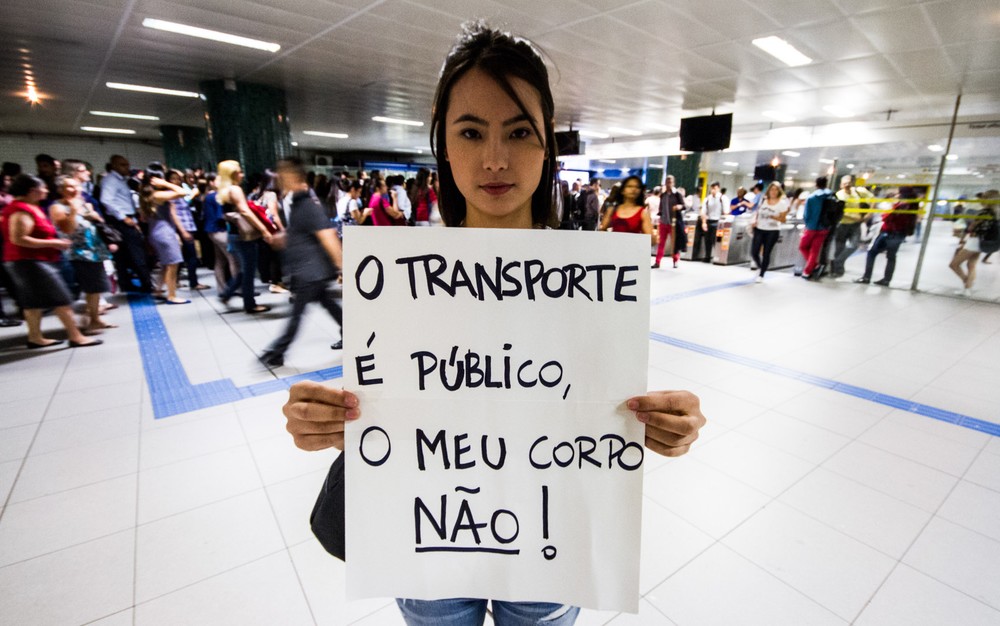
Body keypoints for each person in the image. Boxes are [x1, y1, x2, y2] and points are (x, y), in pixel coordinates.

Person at [280, 23, 707, 626]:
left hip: (549, 538)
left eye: (519, 132)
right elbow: (387, 399)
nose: (495, 158)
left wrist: (665, 423)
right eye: (471, 132)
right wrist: (331, 418)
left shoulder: (591, 278)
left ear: (547, 143)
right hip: (425, 538)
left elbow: (599, 404)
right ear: (444, 144)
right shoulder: (399, 277)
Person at [259, 157, 345, 367]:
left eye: (284, 173)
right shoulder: (297, 203)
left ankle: (277, 352)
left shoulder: (307, 205)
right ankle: (354, 333)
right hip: (309, 270)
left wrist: (344, 267)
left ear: (295, 176)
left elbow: (328, 236)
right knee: (329, 305)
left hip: (311, 271)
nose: (280, 178)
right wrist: (284, 238)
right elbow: (304, 233)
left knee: (297, 314)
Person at [1, 174, 101, 348]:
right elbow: (18, 239)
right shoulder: (21, 210)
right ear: (32, 190)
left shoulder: (26, 207)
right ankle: (76, 336)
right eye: (43, 188)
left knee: (32, 302)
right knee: (61, 299)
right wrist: (54, 243)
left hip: (25, 261)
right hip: (31, 262)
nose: (46, 191)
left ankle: (35, 337)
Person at [48, 176, 117, 332]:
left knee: (96, 288)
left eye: (77, 186)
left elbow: (98, 222)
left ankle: (95, 319)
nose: (75, 189)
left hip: (94, 251)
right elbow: (68, 229)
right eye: (70, 186)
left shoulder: (83, 203)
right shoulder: (57, 207)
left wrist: (93, 215)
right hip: (77, 253)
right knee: (89, 288)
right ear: (60, 190)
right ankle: (88, 321)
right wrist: (73, 210)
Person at [216, 160, 274, 313]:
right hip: (244, 235)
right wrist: (263, 229)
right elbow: (244, 211)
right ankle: (250, 304)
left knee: (245, 268)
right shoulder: (235, 189)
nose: (242, 175)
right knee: (248, 271)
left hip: (234, 234)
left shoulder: (223, 191)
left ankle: (227, 293)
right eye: (239, 172)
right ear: (232, 174)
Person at [100, 155, 153, 292]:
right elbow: (106, 200)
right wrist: (123, 217)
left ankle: (126, 283)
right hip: (121, 221)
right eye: (123, 165)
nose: (127, 168)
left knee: (124, 255)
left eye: (127, 164)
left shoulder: (122, 180)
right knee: (137, 253)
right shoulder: (110, 180)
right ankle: (147, 285)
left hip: (126, 218)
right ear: (114, 166)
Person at [141, 169, 191, 305]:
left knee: (166, 264)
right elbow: (184, 192)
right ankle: (172, 296)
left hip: (157, 231)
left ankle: (158, 290)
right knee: (172, 265)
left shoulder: (148, 195)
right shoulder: (157, 195)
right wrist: (166, 184)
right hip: (165, 233)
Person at [855, 186, 918, 286]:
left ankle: (867, 277)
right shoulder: (912, 205)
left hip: (889, 231)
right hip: (899, 233)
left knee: (872, 253)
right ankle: (886, 280)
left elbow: (887, 217)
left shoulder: (901, 205)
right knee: (891, 256)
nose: (897, 194)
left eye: (898, 193)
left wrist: (890, 207)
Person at [949, 189, 999, 296]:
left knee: (954, 264)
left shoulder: (984, 212)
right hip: (982, 241)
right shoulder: (995, 212)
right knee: (971, 265)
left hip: (974, 241)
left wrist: (969, 229)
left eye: (984, 197)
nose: (981, 199)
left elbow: (972, 227)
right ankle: (967, 289)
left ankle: (967, 282)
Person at [166, 169, 209, 291]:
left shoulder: (179, 192)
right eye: (173, 179)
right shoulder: (170, 193)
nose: (176, 181)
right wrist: (183, 231)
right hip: (182, 227)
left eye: (178, 179)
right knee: (190, 256)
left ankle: (179, 281)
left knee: (185, 256)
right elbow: (173, 214)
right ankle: (192, 283)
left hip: (188, 225)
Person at [830, 175, 873, 278]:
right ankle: (838, 270)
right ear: (841, 185)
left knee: (854, 245)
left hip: (856, 224)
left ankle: (837, 261)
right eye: (845, 183)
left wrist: (869, 213)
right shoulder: (839, 195)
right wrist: (853, 217)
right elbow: (838, 211)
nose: (847, 185)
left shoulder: (858, 192)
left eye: (849, 183)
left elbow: (872, 199)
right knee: (839, 247)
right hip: (842, 224)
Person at [749, 181, 790, 283]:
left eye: (776, 190)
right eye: (772, 189)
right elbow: (758, 212)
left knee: (766, 252)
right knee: (754, 251)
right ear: (769, 190)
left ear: (779, 191)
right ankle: (760, 267)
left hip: (772, 230)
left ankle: (762, 274)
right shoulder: (764, 200)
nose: (773, 192)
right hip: (759, 228)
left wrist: (773, 217)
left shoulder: (782, 204)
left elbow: (783, 219)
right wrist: (754, 221)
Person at [799, 177, 832, 280]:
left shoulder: (811, 197)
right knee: (815, 250)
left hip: (811, 227)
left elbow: (806, 215)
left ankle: (813, 267)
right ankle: (810, 270)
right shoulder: (831, 196)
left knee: (803, 247)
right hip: (824, 227)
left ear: (816, 184)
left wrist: (807, 225)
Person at [652, 175, 685, 269]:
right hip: (663, 221)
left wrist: (679, 207)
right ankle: (657, 261)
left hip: (673, 223)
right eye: (667, 182)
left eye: (670, 182)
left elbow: (683, 205)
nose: (668, 184)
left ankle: (675, 260)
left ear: (673, 183)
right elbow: (661, 207)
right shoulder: (663, 195)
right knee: (661, 242)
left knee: (674, 243)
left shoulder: (677, 194)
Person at [694, 181, 726, 262]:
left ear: (718, 188)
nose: (713, 190)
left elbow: (726, 212)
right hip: (709, 221)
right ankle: (707, 256)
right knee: (707, 240)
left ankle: (718, 257)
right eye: (712, 189)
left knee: (717, 241)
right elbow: (703, 212)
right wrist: (704, 222)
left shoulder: (723, 198)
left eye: (714, 188)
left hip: (718, 222)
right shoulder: (707, 199)